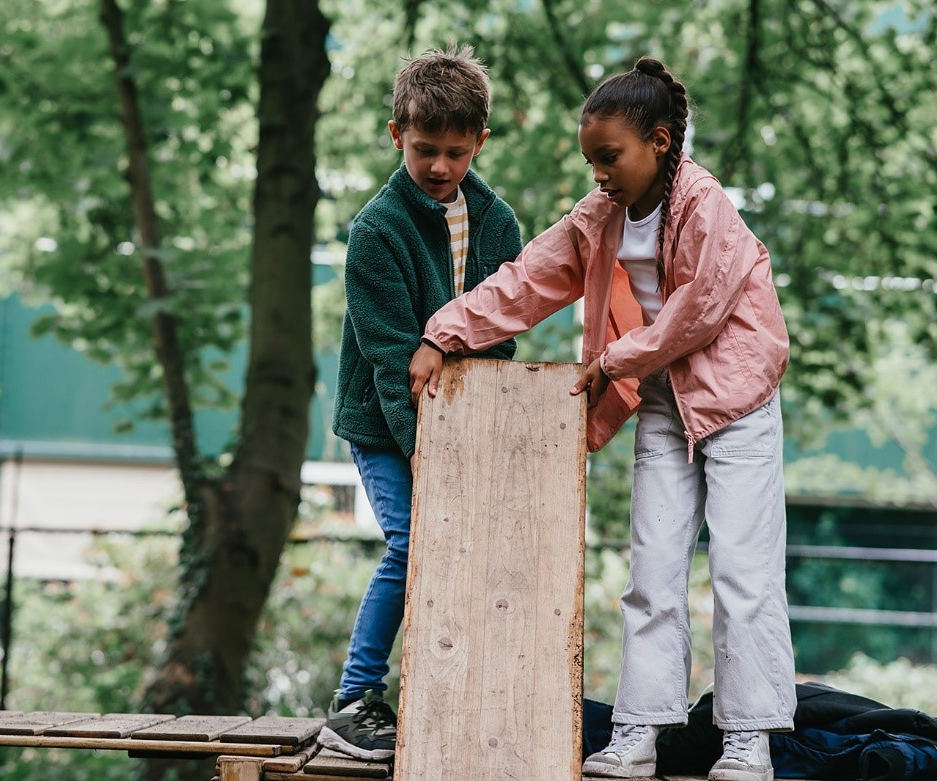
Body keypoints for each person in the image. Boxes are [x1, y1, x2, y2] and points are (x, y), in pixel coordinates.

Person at [409, 57, 796, 781]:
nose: (599, 174)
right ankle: (638, 729)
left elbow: (699, 308)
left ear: (657, 141)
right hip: (660, 403)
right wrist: (442, 333)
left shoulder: (703, 203)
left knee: (743, 574)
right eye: (590, 160)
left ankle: (748, 738)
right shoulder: (601, 215)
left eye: (609, 157)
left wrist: (619, 357)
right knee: (650, 570)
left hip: (737, 404)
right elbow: (523, 281)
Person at [319, 44, 523, 761]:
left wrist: (473, 439)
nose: (439, 166)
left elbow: (498, 339)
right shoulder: (374, 233)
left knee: (462, 553)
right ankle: (350, 700)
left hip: (460, 426)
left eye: (456, 153)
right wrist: (425, 453)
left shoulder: (498, 225)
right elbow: (387, 360)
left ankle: (448, 690)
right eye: (424, 150)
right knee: (412, 543)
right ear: (395, 134)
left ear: (479, 144)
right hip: (385, 425)